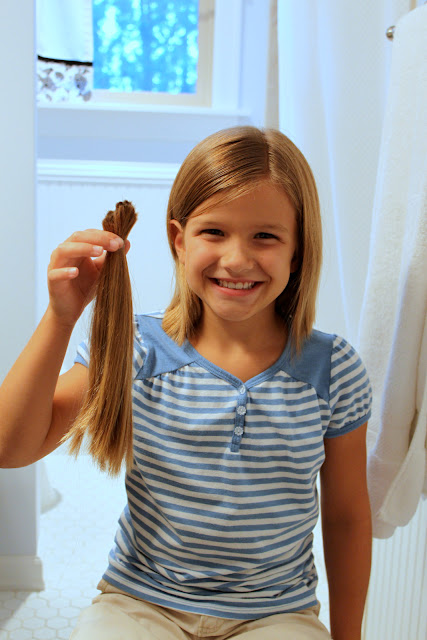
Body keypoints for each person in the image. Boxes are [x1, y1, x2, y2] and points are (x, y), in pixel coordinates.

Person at [0, 126, 372, 640]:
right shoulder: (135, 348)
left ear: (298, 248)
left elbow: (348, 515)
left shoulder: (333, 369)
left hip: (276, 613)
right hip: (140, 602)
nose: (236, 259)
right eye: (214, 232)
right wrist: (61, 317)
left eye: (265, 236)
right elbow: (10, 448)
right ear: (179, 239)